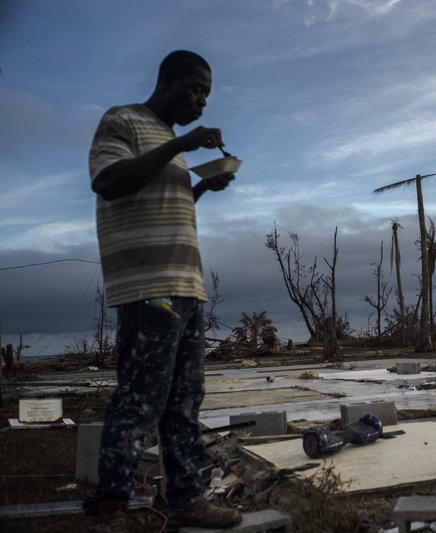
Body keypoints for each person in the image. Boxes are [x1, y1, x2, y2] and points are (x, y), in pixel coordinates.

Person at [83, 50, 241, 532]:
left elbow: (155, 201)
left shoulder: (173, 142)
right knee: (140, 398)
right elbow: (109, 182)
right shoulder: (124, 120)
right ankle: (110, 508)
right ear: (166, 79)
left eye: (207, 95)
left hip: (185, 284)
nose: (201, 101)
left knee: (184, 399)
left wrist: (200, 188)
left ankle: (188, 497)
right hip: (148, 287)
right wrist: (180, 147)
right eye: (194, 89)